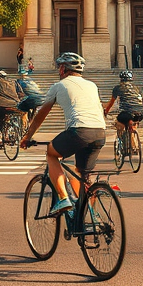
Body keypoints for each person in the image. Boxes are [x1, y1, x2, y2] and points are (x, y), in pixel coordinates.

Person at [20, 53, 106, 215]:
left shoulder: (59, 86)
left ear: (62, 69)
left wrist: (27, 136)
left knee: (52, 154)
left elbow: (41, 115)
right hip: (100, 132)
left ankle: (62, 198)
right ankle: (90, 217)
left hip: (79, 131)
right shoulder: (92, 85)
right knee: (82, 175)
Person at [103, 70, 143, 146]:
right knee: (133, 123)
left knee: (119, 124)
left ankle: (121, 143)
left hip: (126, 113)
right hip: (140, 113)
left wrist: (106, 111)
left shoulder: (118, 88)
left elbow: (111, 102)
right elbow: (141, 100)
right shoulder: (137, 88)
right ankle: (134, 144)